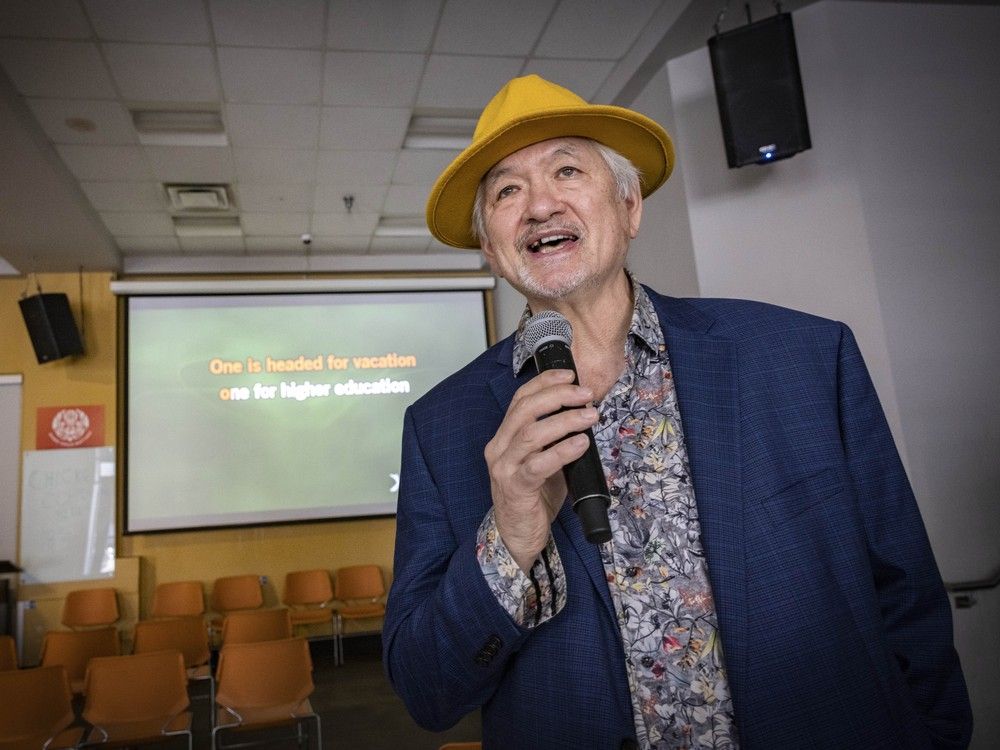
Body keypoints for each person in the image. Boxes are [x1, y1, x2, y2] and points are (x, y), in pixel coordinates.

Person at [382, 75, 972, 750]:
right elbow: (427, 691)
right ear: (490, 246)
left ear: (630, 206)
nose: (540, 205)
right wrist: (511, 535)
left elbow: (907, 595)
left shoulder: (805, 357)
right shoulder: (439, 427)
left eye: (567, 171)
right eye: (507, 191)